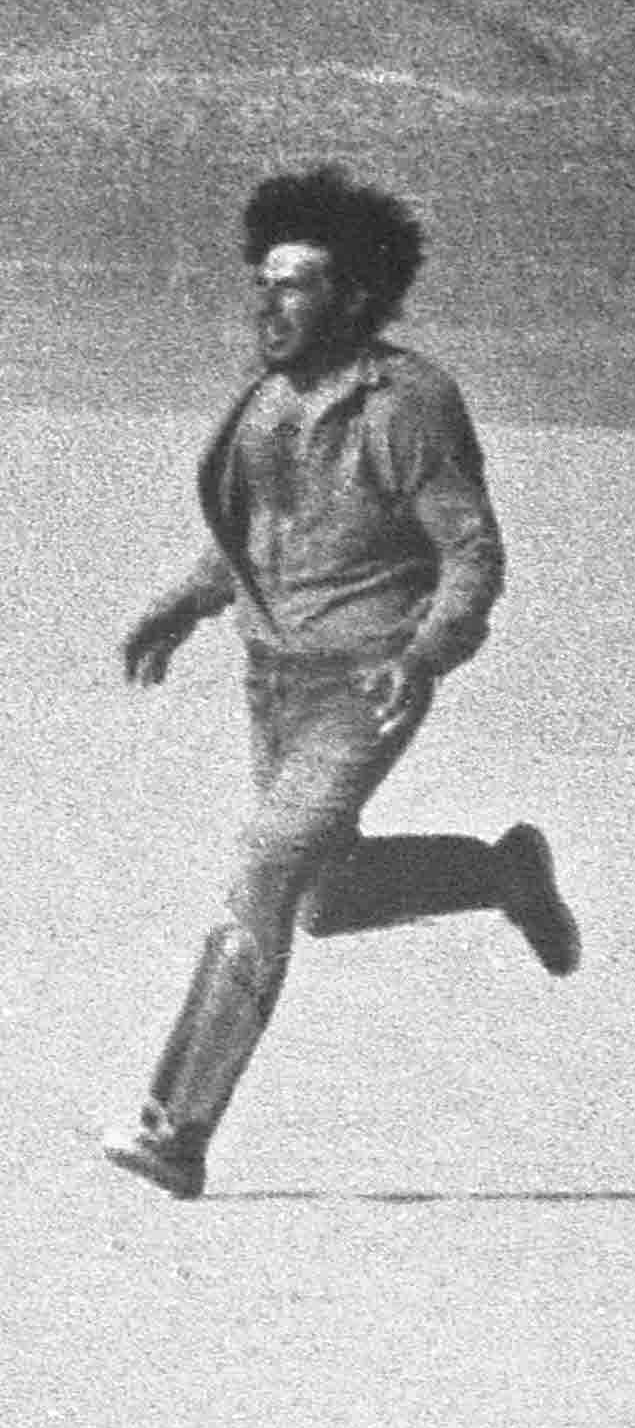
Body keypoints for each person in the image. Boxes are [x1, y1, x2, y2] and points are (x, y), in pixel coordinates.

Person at [101, 166, 582, 1199]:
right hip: (272, 678)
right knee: (323, 896)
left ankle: (174, 1128)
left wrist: (424, 652)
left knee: (264, 869)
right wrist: (185, 603)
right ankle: (503, 875)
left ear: (355, 297)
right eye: (263, 283)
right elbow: (260, 534)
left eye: (295, 285)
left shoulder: (409, 405)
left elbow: (471, 551)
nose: (267, 304)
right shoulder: (265, 403)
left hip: (365, 684)